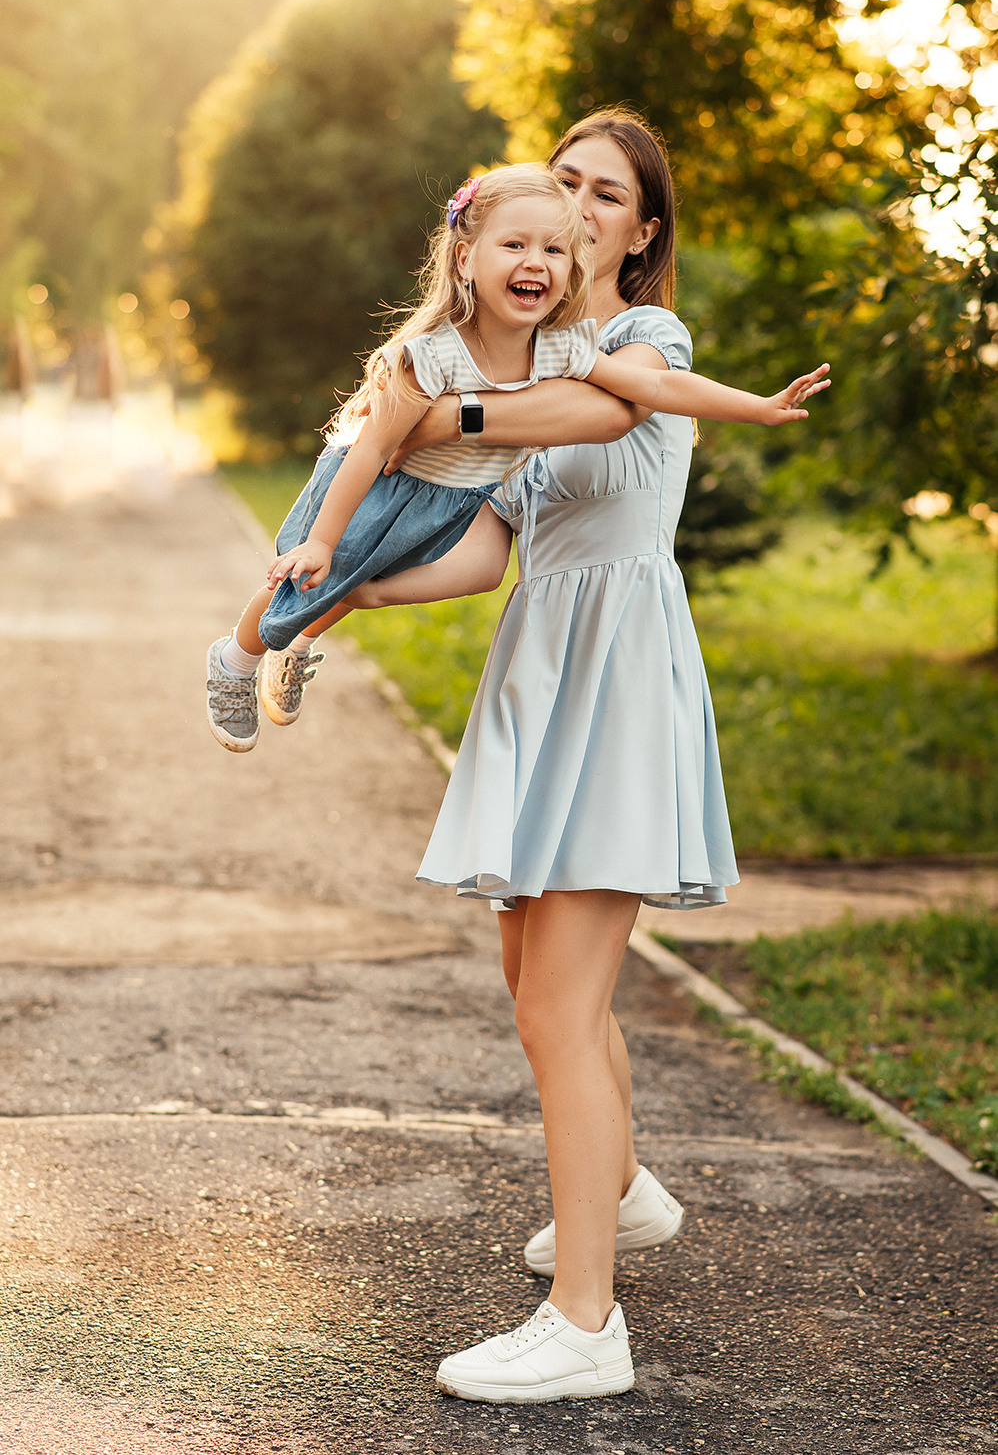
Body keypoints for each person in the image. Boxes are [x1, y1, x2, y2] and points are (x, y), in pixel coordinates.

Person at [351, 109, 829, 1404]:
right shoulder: (543, 356)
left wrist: (429, 404)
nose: (573, 207)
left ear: (637, 231)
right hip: (540, 670)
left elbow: (550, 417)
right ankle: (613, 1191)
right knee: (533, 978)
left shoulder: (637, 343)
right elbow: (481, 548)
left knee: (561, 1001)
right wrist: (350, 596)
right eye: (556, 183)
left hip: (615, 670)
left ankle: (585, 1325)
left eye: (602, 194)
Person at [205, 163, 827, 753]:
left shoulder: (560, 348)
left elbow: (658, 389)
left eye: (555, 251)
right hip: (379, 484)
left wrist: (759, 406)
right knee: (310, 575)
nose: (536, 262)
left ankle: (353, 596)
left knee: (474, 572)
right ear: (466, 258)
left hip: (456, 497)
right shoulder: (431, 358)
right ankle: (236, 659)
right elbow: (370, 453)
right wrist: (319, 541)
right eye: (516, 247)